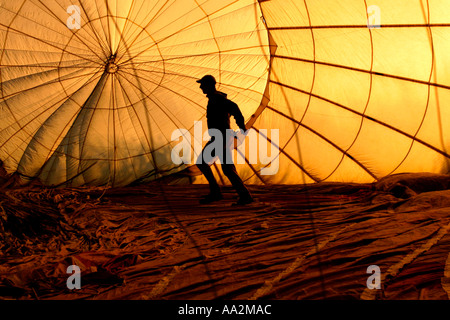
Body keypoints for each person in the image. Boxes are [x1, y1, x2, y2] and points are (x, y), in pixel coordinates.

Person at [196, 75, 254, 205]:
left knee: (201, 162)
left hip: (220, 137)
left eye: (202, 84)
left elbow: (234, 107)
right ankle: (244, 195)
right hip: (222, 137)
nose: (200, 87)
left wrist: (241, 125)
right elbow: (233, 108)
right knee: (227, 169)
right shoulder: (214, 98)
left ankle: (217, 192)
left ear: (209, 85)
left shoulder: (217, 98)